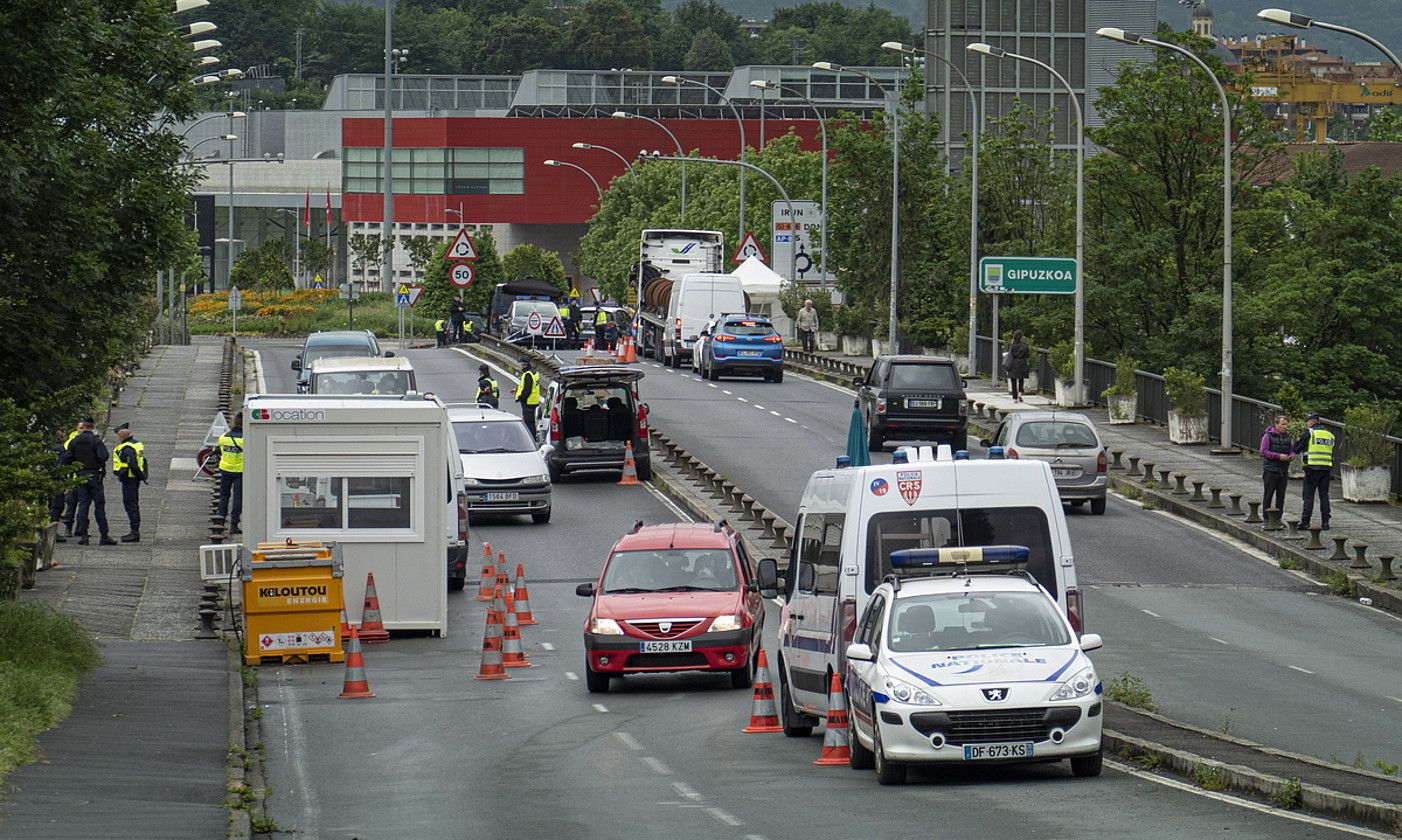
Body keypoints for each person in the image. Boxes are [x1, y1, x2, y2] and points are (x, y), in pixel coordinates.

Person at [60, 418, 116, 546]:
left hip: (80, 476)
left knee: (83, 506)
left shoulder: (74, 441)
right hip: (94, 476)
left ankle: (83, 536)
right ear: (93, 426)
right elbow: (104, 456)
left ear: (83, 427)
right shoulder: (96, 441)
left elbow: (66, 459)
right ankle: (104, 535)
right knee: (99, 506)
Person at [1294, 412, 1335, 531]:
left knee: (1308, 496)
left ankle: (1305, 522)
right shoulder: (1330, 435)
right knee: (1324, 496)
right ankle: (1325, 523)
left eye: (1307, 421)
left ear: (1312, 421)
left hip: (1312, 469)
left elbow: (1297, 448)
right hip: (1326, 469)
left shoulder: (1310, 433)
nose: (1307, 424)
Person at [111, 422, 147, 543]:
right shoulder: (136, 444)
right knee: (133, 505)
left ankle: (134, 532)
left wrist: (140, 476)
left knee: (130, 505)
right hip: (133, 479)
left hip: (129, 479)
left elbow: (133, 465)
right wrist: (142, 476)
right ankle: (134, 531)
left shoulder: (126, 448)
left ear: (121, 437)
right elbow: (143, 461)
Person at [1258, 414, 1294, 520]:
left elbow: (1291, 449)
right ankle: (1266, 519)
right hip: (1271, 470)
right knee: (1268, 495)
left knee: (1281, 496)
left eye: (1286, 424)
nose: (1285, 427)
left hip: (1283, 470)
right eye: (1283, 424)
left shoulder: (1287, 437)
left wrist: (1291, 456)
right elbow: (1263, 451)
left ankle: (1278, 519)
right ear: (1276, 424)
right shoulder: (1268, 436)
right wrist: (1278, 456)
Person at [216, 412, 245, 535]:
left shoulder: (223, 438)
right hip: (239, 472)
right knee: (237, 498)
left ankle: (220, 522)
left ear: (234, 423)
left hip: (225, 470)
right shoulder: (244, 440)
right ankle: (234, 525)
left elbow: (219, 451)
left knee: (224, 496)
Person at [515, 359, 542, 441]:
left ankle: (531, 439)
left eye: (521, 364)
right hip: (534, 400)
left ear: (524, 365)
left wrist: (521, 398)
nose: (520, 366)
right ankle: (532, 437)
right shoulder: (535, 373)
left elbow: (527, 389)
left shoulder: (528, 374)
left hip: (528, 401)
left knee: (529, 423)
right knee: (531, 422)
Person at [1007, 331, 1031, 402]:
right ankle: (1020, 392)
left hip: (1014, 363)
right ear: (1021, 337)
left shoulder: (1012, 345)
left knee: (1013, 380)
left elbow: (1010, 354)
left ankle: (1015, 397)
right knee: (1021, 379)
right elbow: (1027, 355)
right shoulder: (1025, 345)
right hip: (1022, 363)